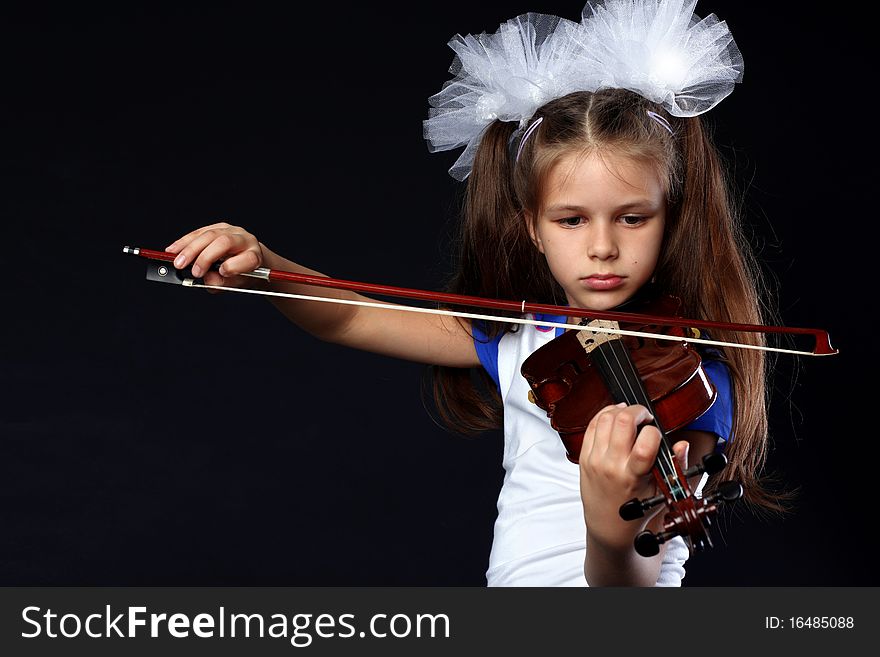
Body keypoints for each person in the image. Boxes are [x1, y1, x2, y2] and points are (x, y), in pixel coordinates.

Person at [163, 1, 780, 586]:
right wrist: (267, 265)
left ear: (669, 217)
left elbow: (631, 590)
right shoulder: (521, 336)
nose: (601, 247)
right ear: (531, 227)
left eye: (632, 217)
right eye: (571, 219)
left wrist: (610, 530)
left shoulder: (690, 377)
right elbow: (350, 317)